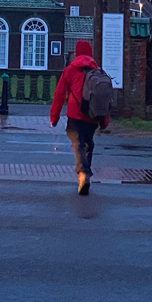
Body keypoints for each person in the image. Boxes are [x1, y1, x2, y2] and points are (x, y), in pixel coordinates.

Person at [50, 40, 110, 195]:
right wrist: (104, 121)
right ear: (90, 54)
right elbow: (104, 99)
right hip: (93, 116)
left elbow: (59, 95)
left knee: (77, 143)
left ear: (76, 53)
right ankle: (85, 175)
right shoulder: (98, 72)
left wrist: (54, 117)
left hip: (75, 115)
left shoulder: (70, 71)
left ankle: (83, 173)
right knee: (88, 143)